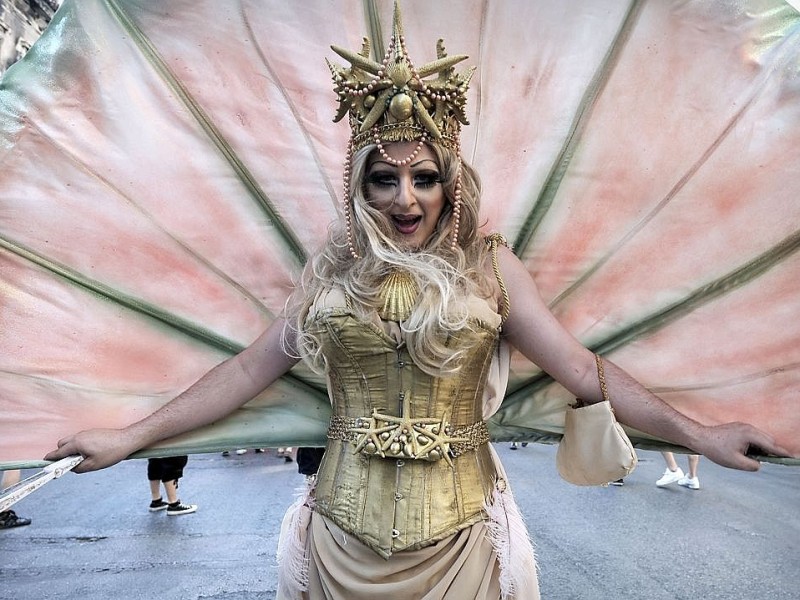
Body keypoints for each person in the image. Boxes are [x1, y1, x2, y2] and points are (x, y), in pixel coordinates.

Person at [44, 5, 790, 599]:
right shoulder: (330, 272)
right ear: (358, 187)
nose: (406, 198)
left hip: (463, 543)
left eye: (424, 177)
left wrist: (699, 434)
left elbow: (583, 369)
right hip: (338, 543)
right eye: (384, 179)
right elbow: (244, 373)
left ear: (449, 182)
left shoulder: (490, 267)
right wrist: (127, 436)